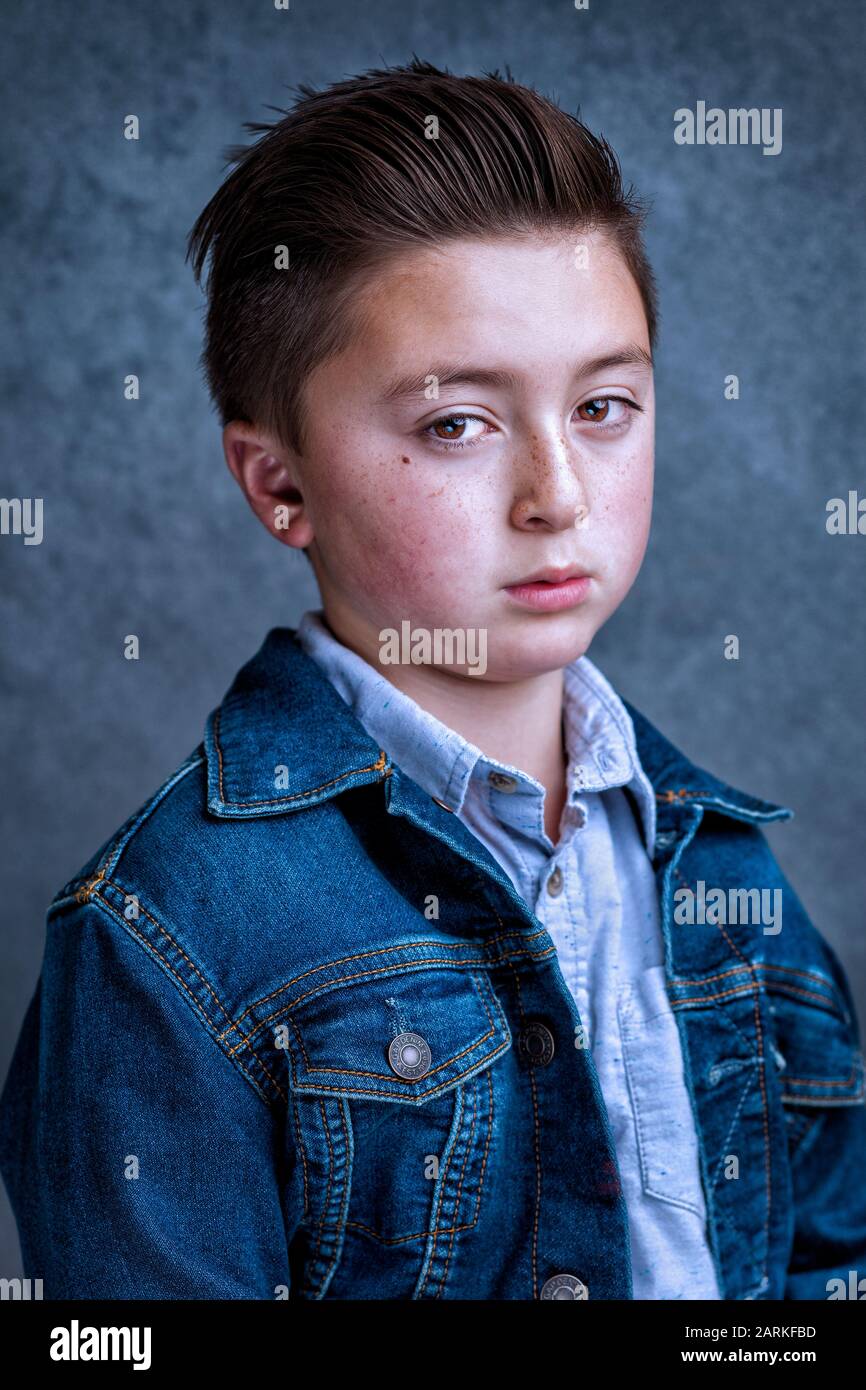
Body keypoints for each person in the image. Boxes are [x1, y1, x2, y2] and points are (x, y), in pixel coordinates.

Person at [1, 58, 864, 1300]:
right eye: (457, 422)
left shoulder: (725, 869)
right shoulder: (161, 933)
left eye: (604, 405)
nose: (557, 495)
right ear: (279, 484)